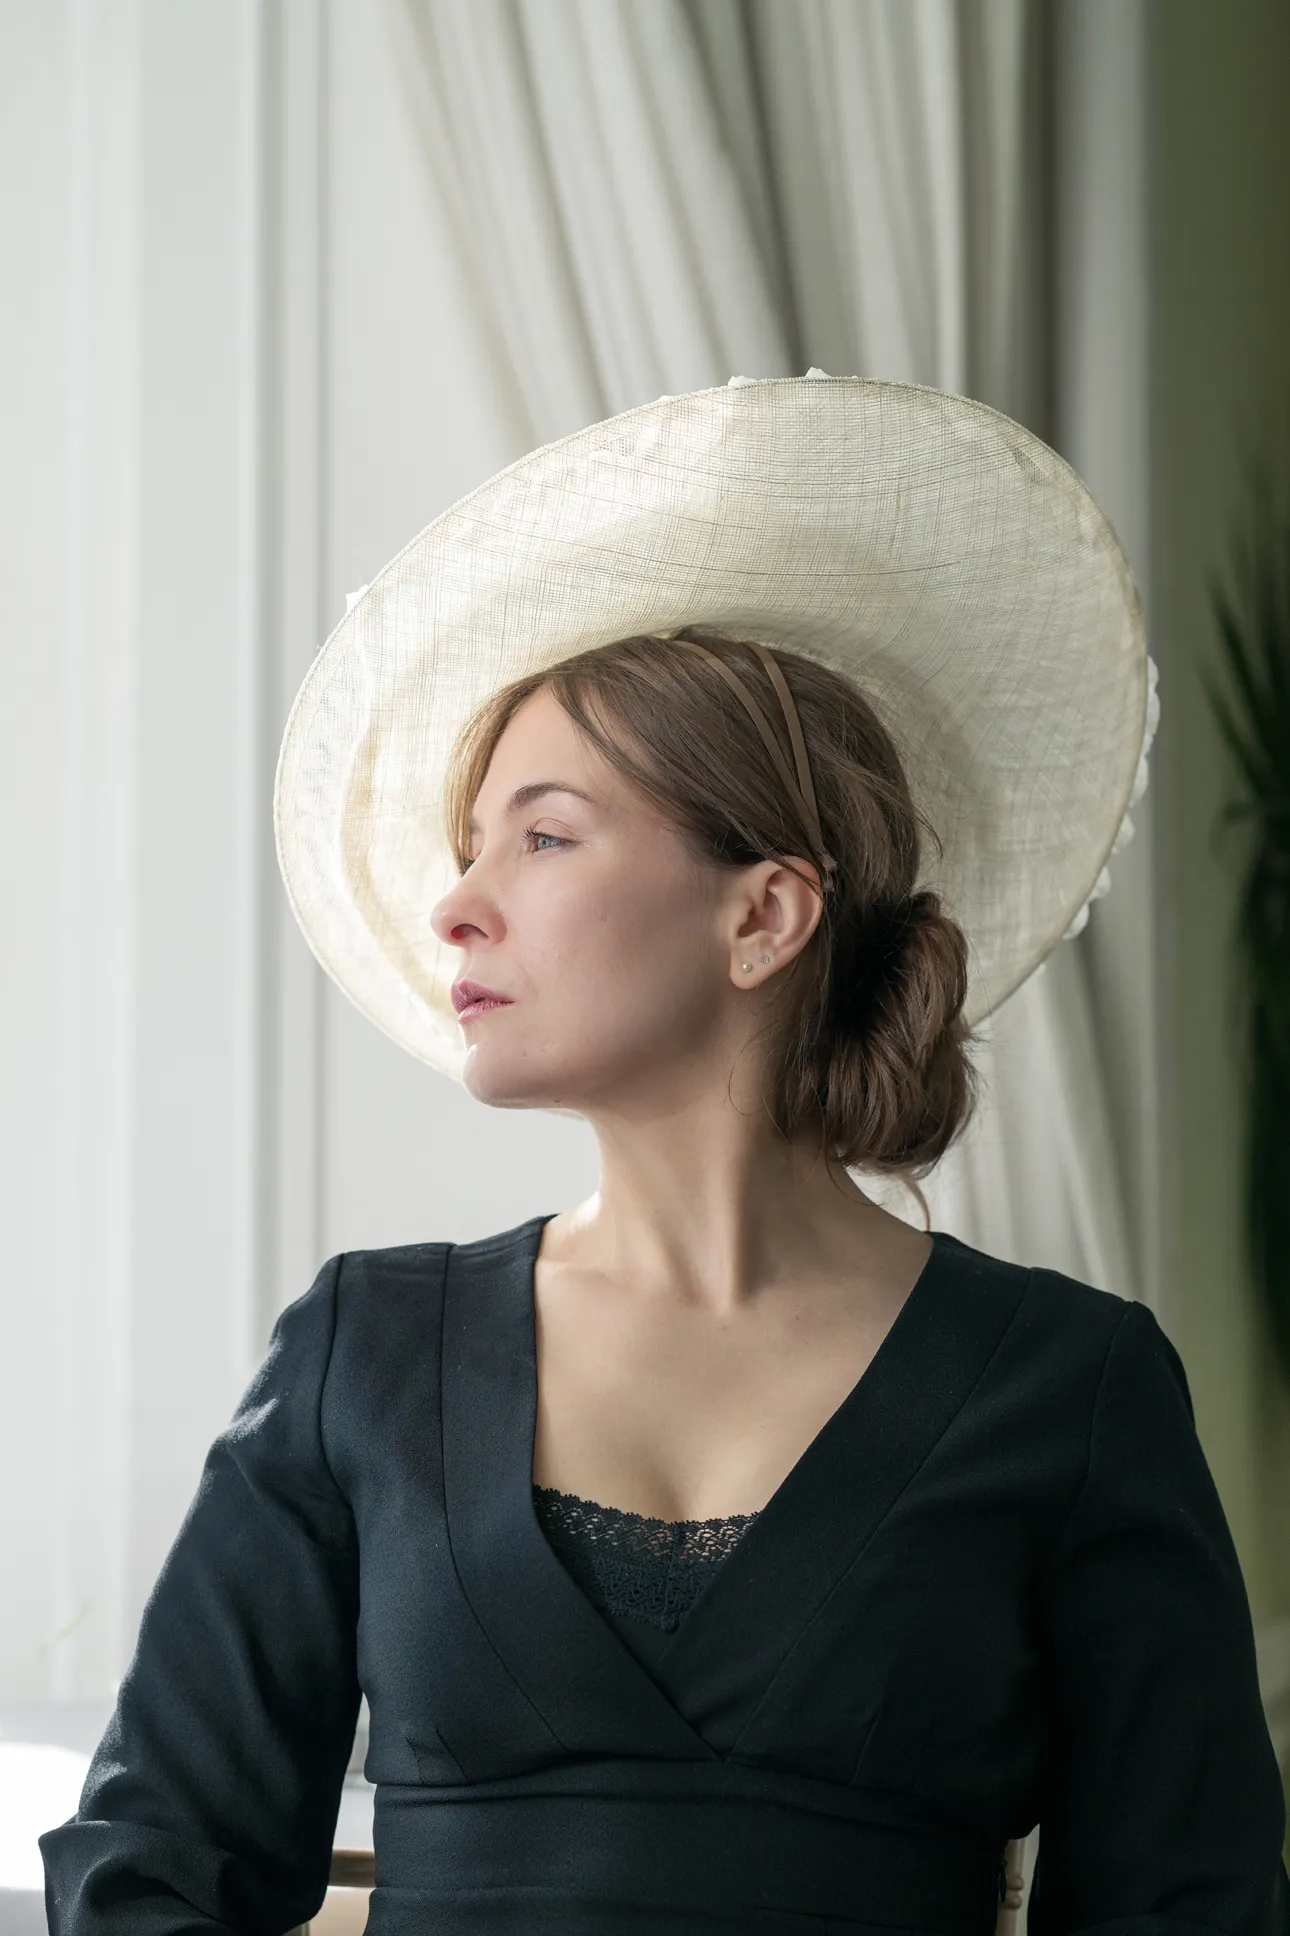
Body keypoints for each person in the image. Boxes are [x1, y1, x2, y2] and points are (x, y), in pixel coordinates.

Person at [41, 378, 1289, 1934]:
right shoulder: (366, 1351)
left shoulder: (1072, 1386)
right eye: (466, 846)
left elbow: (1190, 1908)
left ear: (761, 914)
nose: (458, 906)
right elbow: (154, 1874)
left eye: (543, 836)